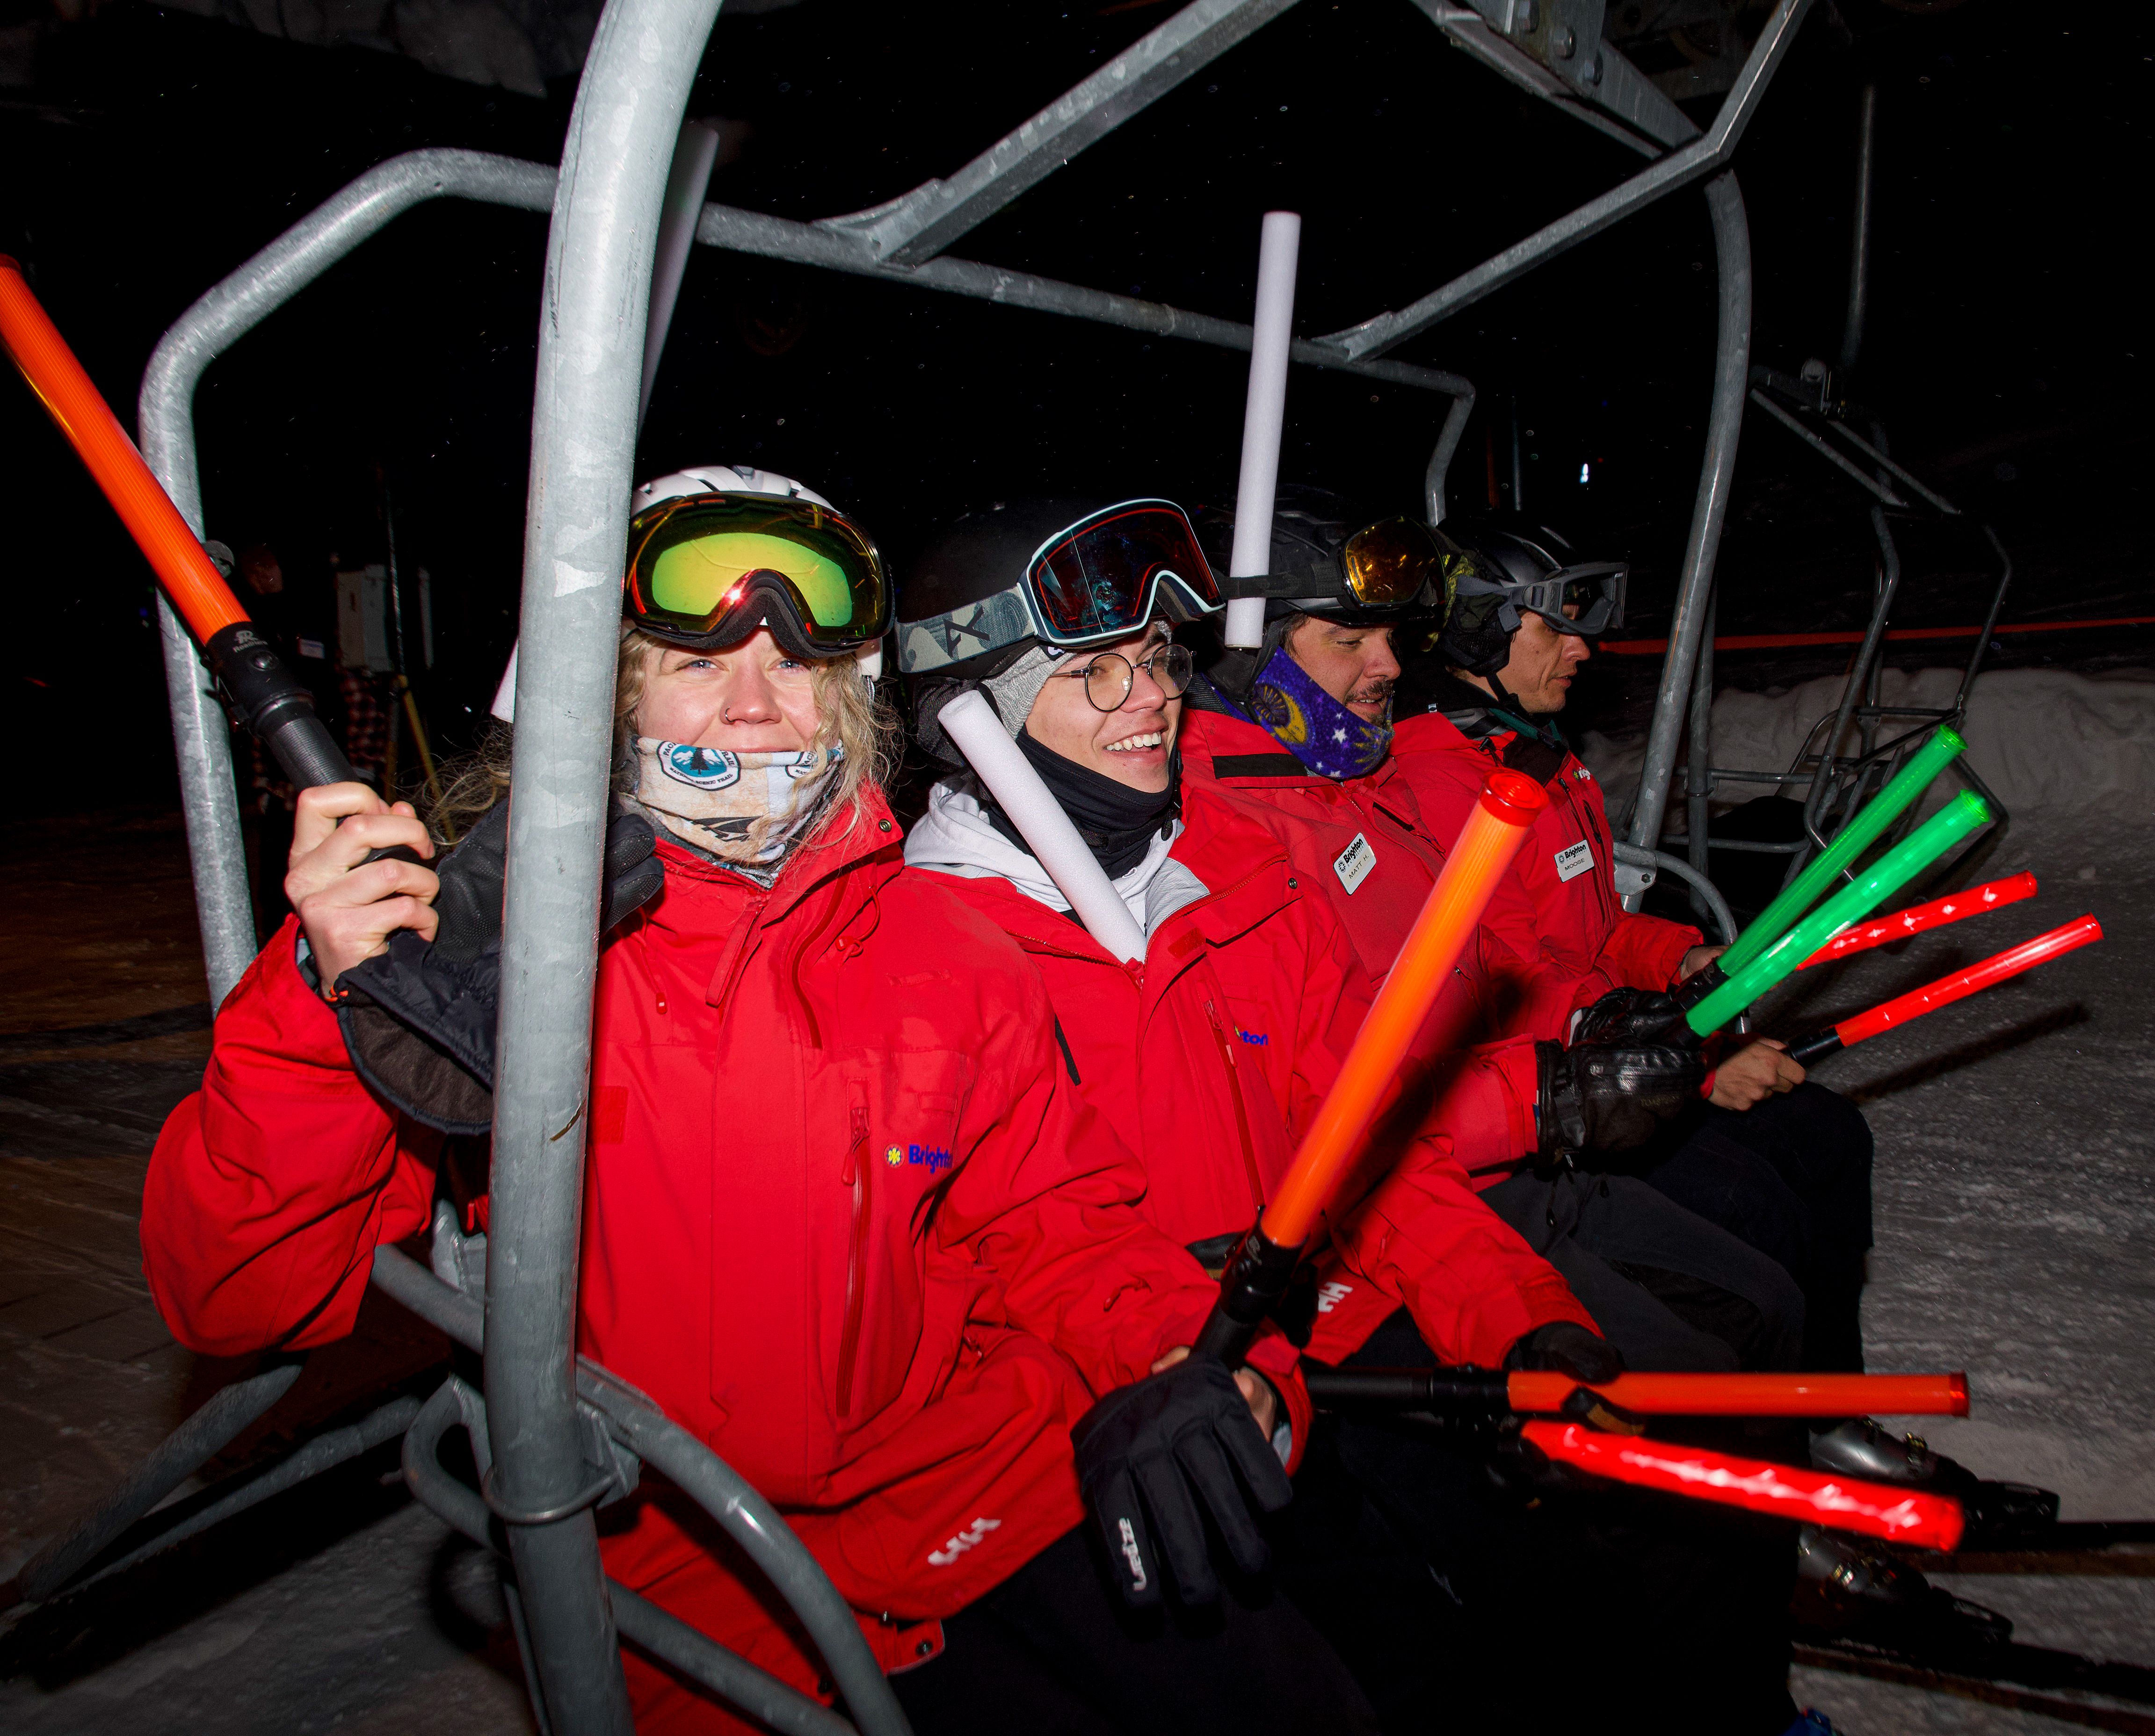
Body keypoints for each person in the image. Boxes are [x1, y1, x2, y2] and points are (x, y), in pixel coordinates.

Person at [142, 465, 1373, 1736]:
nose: (752, 704)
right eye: (696, 663)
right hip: (701, 1569)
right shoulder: (501, 963)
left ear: (846, 700)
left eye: (794, 666)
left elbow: (1055, 1221)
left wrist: (1189, 1360)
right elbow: (239, 1294)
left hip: (989, 1490)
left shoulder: (942, 948)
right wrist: (322, 1002)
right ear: (603, 702)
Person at [891, 495, 1814, 1736]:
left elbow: (1366, 1149)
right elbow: (999, 1265)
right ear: (978, 714)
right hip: (1143, 1419)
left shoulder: (1230, 877)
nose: (1151, 696)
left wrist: (1521, 1322)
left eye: (1157, 657)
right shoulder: (924, 954)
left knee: (1587, 1596)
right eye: (1094, 673)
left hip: (1327, 1329)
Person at [1183, 489, 1807, 1378]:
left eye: (1390, 637)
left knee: (1763, 1298)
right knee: (1695, 1364)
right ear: (1248, 655)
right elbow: (1333, 1093)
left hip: (1505, 1151)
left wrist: (1622, 1004)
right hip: (1425, 1196)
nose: (1389, 665)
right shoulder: (1233, 833)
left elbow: (1484, 973)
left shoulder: (1359, 786)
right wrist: (1561, 1079)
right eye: (1350, 640)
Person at [1393, 513, 1878, 1375]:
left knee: (1829, 1138)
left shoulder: (1537, 752)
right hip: (1562, 1086)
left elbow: (1594, 931)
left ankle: (1831, 1405)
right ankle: (1783, 1416)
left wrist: (1680, 961)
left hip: (1608, 1047)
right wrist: (1684, 1057)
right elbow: (1505, 984)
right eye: (1557, 626)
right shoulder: (1444, 779)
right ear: (1480, 627)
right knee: (1759, 1210)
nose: (1582, 649)